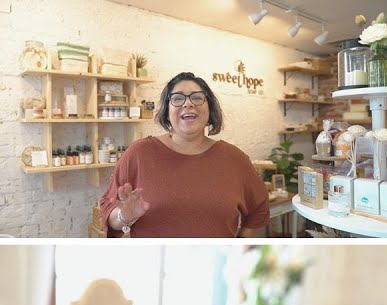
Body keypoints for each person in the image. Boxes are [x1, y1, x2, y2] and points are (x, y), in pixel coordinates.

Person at [99, 71, 270, 238]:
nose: (188, 103)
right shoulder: (138, 154)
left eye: (197, 97)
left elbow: (258, 209)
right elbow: (108, 210)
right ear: (167, 111)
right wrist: (123, 216)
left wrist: (240, 248)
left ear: (210, 108)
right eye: (178, 98)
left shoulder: (235, 159)